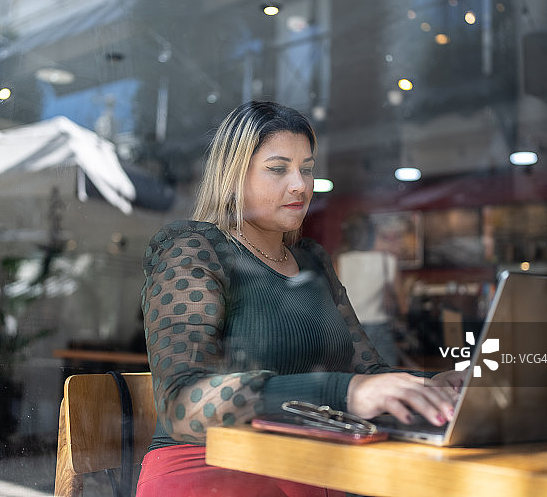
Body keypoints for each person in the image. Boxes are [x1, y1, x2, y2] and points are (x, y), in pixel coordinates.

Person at [137, 101, 463, 496]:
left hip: (309, 466)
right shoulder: (193, 249)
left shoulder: (313, 261)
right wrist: (343, 393)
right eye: (278, 169)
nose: (301, 185)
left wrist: (431, 385)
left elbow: (367, 372)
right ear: (233, 176)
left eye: (306, 169)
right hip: (211, 470)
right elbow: (182, 403)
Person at [337, 213, 403, 366]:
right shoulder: (388, 260)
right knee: (387, 375)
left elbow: (334, 301)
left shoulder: (338, 262)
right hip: (379, 327)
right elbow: (403, 305)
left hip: (349, 328)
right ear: (372, 234)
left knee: (354, 377)